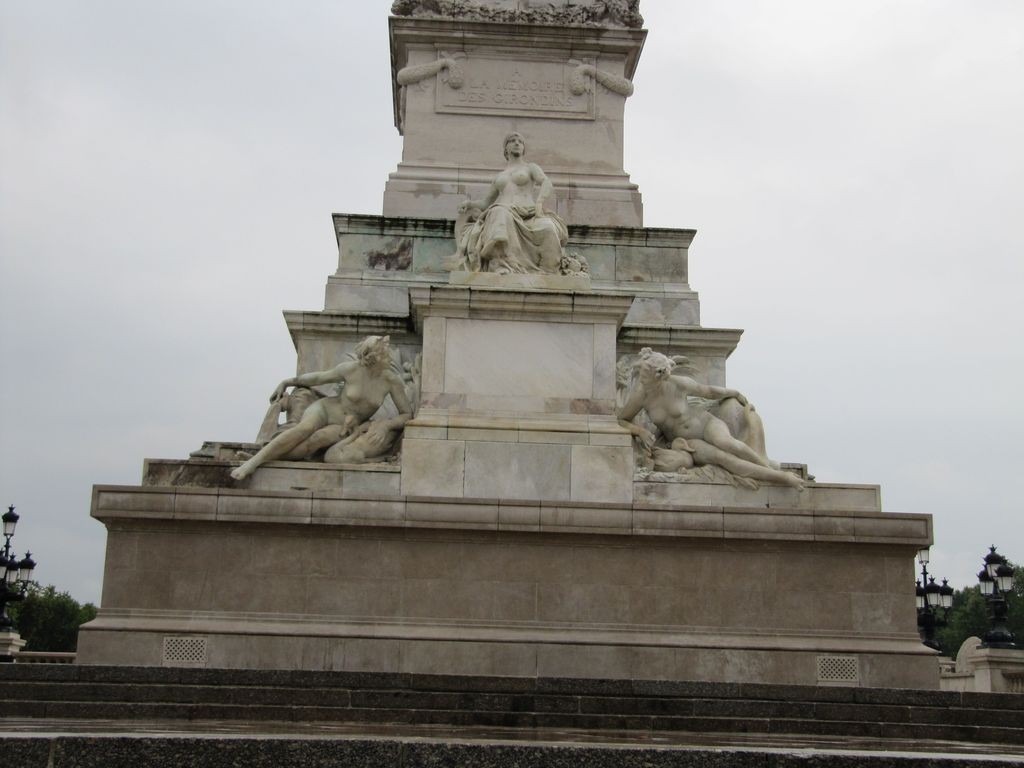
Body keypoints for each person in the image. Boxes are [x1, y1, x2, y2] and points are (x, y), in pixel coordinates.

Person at [230, 335, 412, 480]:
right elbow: (319, 378)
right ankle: (254, 462)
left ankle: (266, 458)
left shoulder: (391, 381)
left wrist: (386, 425)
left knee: (313, 442)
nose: (388, 356)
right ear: (373, 356)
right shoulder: (351, 369)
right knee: (304, 429)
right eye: (385, 352)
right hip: (325, 409)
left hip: (345, 426)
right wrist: (287, 382)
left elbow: (406, 413)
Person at [617, 348, 803, 489]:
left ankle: (768, 469)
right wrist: (640, 431)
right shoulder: (641, 396)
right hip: (688, 442)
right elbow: (621, 419)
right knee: (724, 458)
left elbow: (708, 391)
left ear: (659, 375)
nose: (641, 379)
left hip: (706, 424)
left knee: (729, 444)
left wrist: (735, 393)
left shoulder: (677, 383)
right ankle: (782, 478)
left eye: (644, 375)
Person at [451, 132, 568, 274]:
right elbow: (486, 202)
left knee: (548, 227)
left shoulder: (530, 167)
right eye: (512, 141)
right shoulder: (499, 176)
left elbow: (546, 182)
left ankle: (546, 270)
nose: (517, 143)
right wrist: (470, 204)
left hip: (528, 212)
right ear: (506, 149)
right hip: (504, 210)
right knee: (498, 212)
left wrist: (539, 202)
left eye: (520, 142)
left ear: (524, 149)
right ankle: (501, 263)